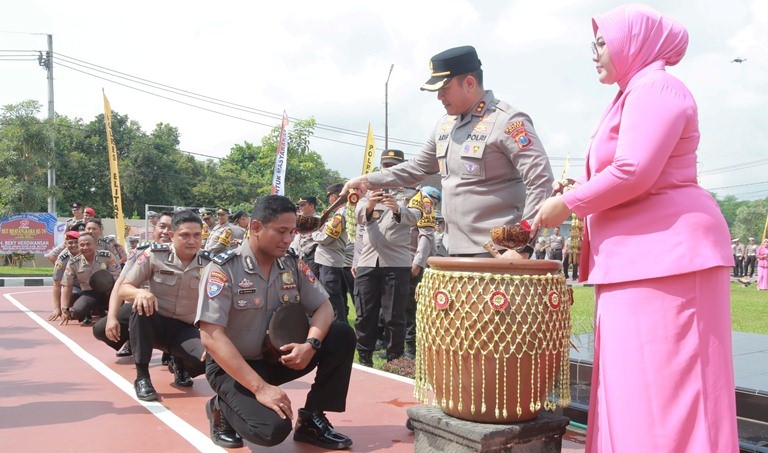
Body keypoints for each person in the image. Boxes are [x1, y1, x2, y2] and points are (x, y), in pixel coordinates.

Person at [532, 5, 738, 451]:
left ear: (634, 43)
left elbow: (635, 171)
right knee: (633, 389)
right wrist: (580, 189)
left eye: (602, 42)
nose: (595, 53)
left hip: (670, 259)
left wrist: (568, 203)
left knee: (665, 393)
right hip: (639, 259)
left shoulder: (657, 88)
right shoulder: (635, 93)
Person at [343, 45, 554, 257]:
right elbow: (416, 168)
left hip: (497, 252)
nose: (439, 97)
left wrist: (522, 246)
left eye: (445, 90)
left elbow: (541, 180)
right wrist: (367, 180)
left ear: (469, 83)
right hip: (450, 249)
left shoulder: (507, 121)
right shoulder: (445, 125)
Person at [196, 195, 355, 449]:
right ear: (256, 227)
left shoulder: (291, 263)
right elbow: (211, 336)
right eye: (281, 231)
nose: (288, 239)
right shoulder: (223, 269)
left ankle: (312, 418)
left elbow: (324, 306)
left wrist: (311, 344)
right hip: (233, 367)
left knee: (341, 335)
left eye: (292, 232)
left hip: (278, 357)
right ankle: (220, 409)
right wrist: (260, 389)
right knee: (270, 431)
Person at [119, 210, 211, 401]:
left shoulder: (210, 263)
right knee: (140, 308)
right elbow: (124, 288)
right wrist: (140, 292)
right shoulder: (154, 255)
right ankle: (142, 377)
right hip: (156, 323)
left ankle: (181, 363)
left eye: (196, 235)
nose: (192, 241)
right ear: (171, 235)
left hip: (186, 328)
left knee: (209, 360)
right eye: (185, 235)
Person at [354, 150, 424, 365]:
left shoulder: (414, 193)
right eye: (385, 165)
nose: (388, 168)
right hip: (368, 261)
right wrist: (369, 205)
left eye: (393, 165)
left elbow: (417, 217)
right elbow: (357, 218)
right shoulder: (368, 190)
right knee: (364, 313)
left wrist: (397, 208)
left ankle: (395, 359)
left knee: (394, 315)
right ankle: (364, 356)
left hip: (397, 263)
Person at [93, 212, 173, 358]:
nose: (166, 232)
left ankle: (174, 353)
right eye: (162, 226)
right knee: (100, 329)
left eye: (171, 227)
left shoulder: (188, 256)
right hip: (140, 304)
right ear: (155, 228)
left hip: (173, 308)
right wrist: (111, 318)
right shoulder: (140, 252)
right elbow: (120, 284)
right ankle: (132, 340)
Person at [60, 233, 121, 325]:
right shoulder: (73, 263)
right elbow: (67, 286)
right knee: (77, 311)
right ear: (78, 246)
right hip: (90, 293)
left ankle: (110, 311)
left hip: (109, 291)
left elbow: (117, 275)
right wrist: (64, 309)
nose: (85, 247)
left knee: (121, 311)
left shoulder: (107, 256)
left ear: (94, 245)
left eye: (88, 244)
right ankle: (90, 311)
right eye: (82, 245)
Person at [312, 184, 349, 323]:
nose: (329, 200)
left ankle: (339, 326)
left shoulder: (340, 214)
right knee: (334, 296)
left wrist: (314, 233)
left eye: (329, 197)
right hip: (331, 260)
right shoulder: (342, 212)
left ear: (334, 196)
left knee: (332, 297)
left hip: (330, 260)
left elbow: (326, 238)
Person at [48, 230, 83, 321]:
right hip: (75, 286)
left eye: (76, 242)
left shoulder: (88, 252)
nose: (74, 245)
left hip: (91, 285)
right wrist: (57, 308)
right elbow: (57, 284)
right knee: (74, 294)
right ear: (65, 244)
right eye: (70, 243)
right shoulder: (62, 259)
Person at [290, 196, 321, 276]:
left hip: (312, 254)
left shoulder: (319, 221)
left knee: (312, 278)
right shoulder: (298, 220)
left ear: (311, 206)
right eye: (299, 205)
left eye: (303, 205)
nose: (300, 207)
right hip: (299, 254)